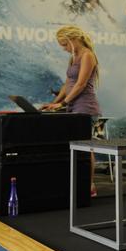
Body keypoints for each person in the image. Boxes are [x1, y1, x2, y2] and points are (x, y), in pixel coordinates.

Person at [42, 25, 102, 197]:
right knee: (74, 147)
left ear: (72, 39)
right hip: (72, 106)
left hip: (85, 107)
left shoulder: (88, 55)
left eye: (64, 44)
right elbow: (67, 84)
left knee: (85, 147)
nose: (63, 48)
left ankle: (90, 185)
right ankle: (75, 183)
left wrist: (62, 104)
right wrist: (54, 103)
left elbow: (81, 84)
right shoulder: (74, 57)